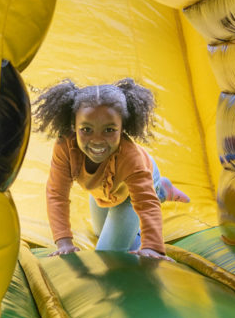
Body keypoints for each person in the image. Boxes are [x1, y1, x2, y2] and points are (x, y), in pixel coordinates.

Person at [33, 78, 189, 260]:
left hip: (132, 190)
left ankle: (157, 189)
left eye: (109, 130)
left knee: (107, 255)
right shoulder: (64, 147)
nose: (97, 139)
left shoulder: (131, 158)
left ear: (123, 128)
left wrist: (152, 247)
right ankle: (162, 189)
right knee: (100, 231)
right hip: (104, 189)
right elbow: (56, 194)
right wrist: (64, 242)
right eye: (86, 129)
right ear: (73, 126)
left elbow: (146, 204)